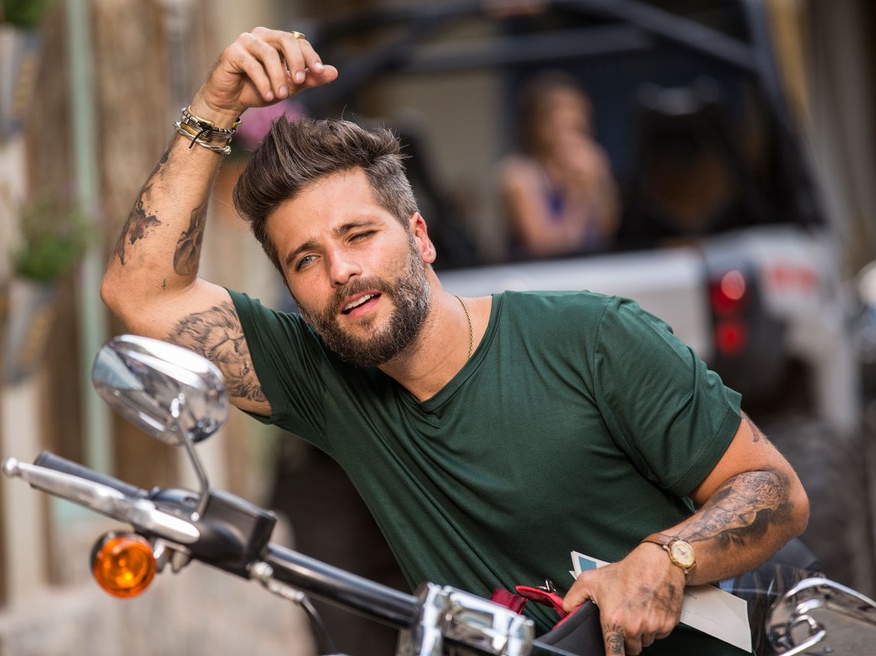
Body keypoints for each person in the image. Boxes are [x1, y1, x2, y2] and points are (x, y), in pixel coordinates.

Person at [101, 27, 809, 655]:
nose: (340, 271)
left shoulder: (593, 337)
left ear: (420, 236)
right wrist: (215, 107)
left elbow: (775, 489)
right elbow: (141, 294)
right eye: (306, 259)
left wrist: (664, 559)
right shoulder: (322, 380)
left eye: (358, 235)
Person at [497, 72, 620, 260]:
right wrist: (578, 195)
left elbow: (608, 231)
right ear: (537, 122)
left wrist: (598, 183)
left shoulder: (593, 160)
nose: (570, 118)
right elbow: (547, 248)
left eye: (576, 109)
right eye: (559, 111)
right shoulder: (519, 176)